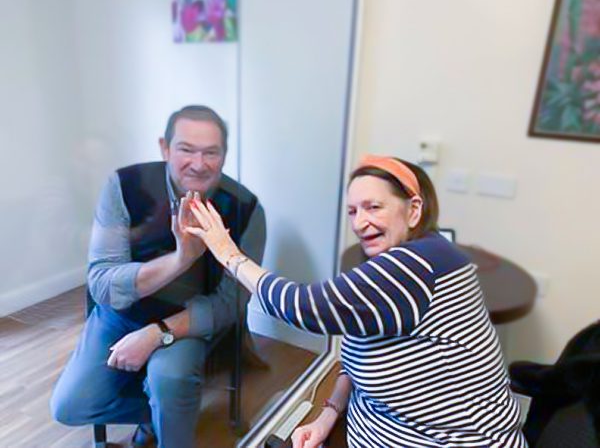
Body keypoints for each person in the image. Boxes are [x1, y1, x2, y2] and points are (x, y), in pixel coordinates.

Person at [184, 154, 526, 447]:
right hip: (373, 428)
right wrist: (327, 414)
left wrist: (227, 253)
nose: (360, 223)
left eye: (374, 207)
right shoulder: (417, 256)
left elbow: (302, 306)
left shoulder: (417, 264)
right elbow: (359, 350)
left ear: (413, 210)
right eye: (352, 211)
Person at [50, 105, 266, 448]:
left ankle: (172, 413)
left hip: (185, 320)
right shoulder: (123, 185)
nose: (199, 163)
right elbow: (103, 283)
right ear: (165, 147)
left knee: (171, 379)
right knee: (69, 405)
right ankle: (164, 413)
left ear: (225, 155)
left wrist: (157, 333)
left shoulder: (246, 208)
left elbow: (232, 303)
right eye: (186, 149)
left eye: (211, 152)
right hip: (121, 313)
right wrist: (182, 259)